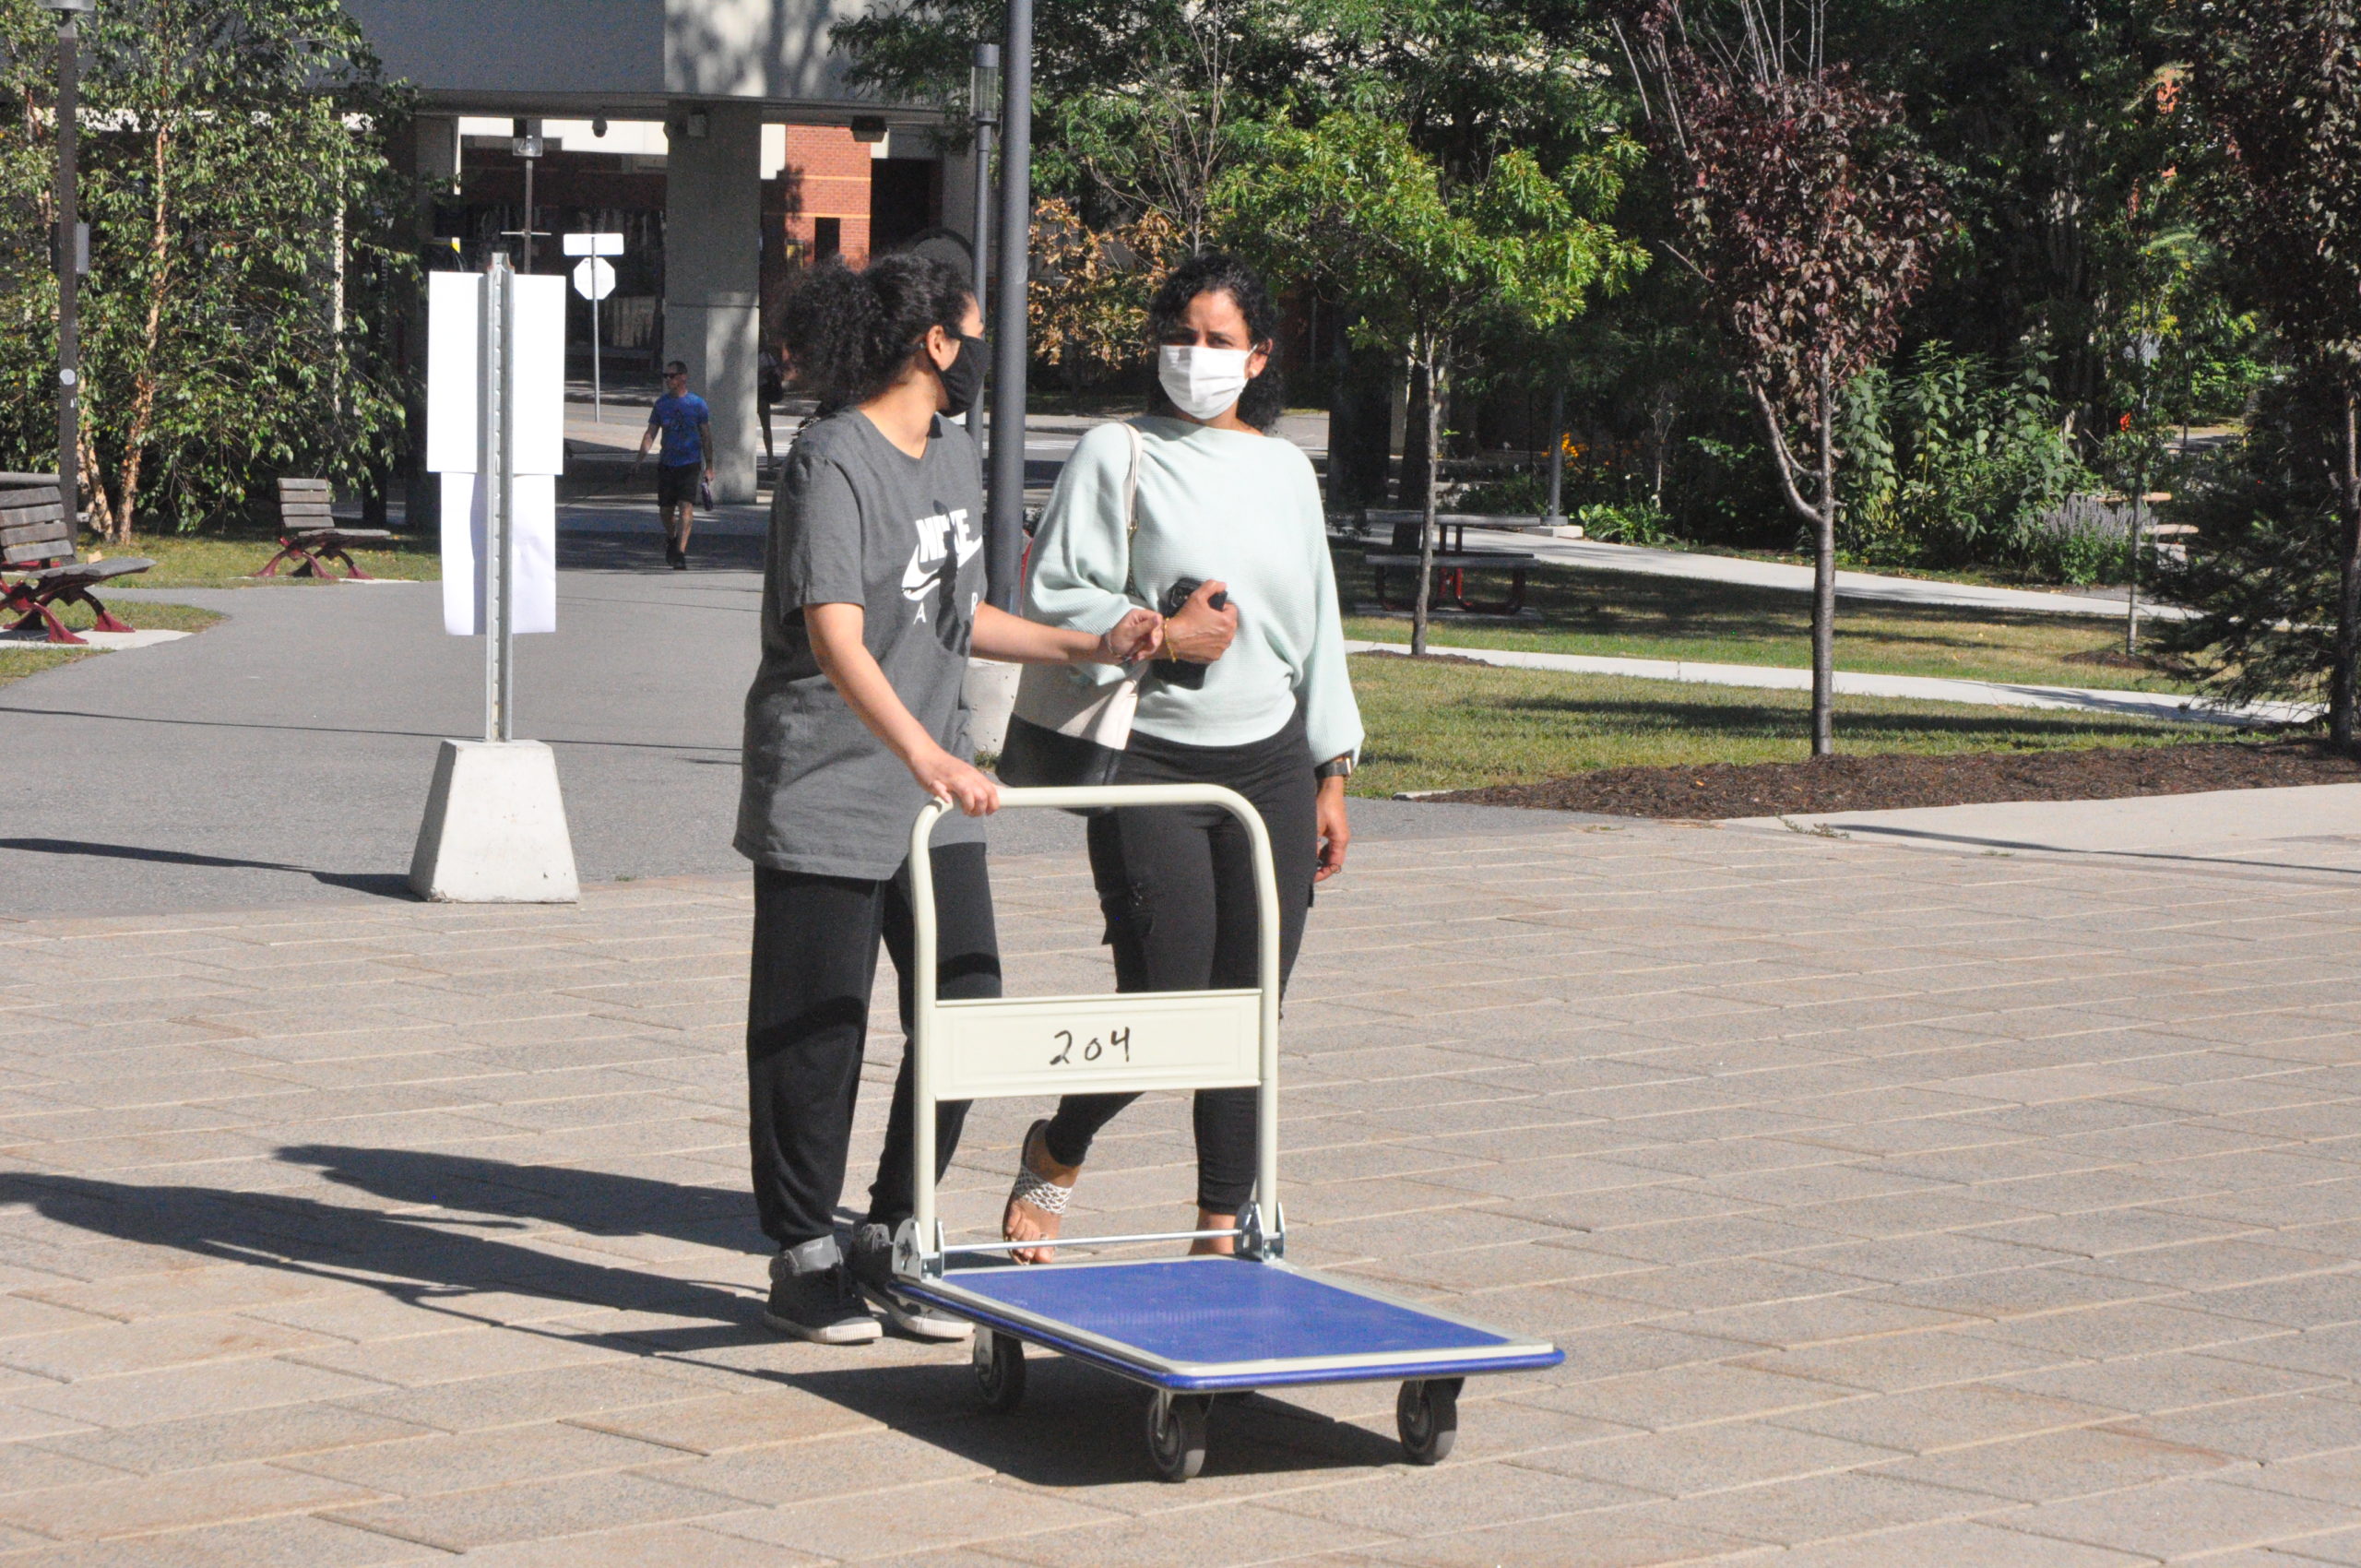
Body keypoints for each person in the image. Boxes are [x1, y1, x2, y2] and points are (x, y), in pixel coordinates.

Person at [740, 254, 1161, 1343]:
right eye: (973, 335)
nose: (981, 357)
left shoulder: (954, 452)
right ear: (935, 342)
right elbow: (836, 633)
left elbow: (960, 614)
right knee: (816, 1031)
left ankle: (891, 1227)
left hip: (932, 792)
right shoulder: (831, 458)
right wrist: (928, 751)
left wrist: (1091, 641)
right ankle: (802, 1251)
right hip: (833, 786)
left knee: (965, 1003)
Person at [1002, 252, 1363, 1263]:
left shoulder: (1287, 469)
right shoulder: (1117, 450)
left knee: (1252, 1000)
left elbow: (1316, 626)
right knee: (1163, 996)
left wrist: (1332, 769)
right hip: (1153, 758)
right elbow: (1057, 592)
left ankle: (1222, 1224)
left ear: (1258, 357)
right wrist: (1159, 630)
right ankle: (1057, 1146)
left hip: (1273, 764)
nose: (1194, 358)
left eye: (1217, 341)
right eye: (1180, 336)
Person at [635, 360, 712, 570]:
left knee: (686, 506)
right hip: (668, 463)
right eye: (666, 376)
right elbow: (651, 433)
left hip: (690, 463)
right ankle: (672, 537)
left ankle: (680, 552)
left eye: (671, 376)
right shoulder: (661, 404)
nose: (668, 380)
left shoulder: (697, 404)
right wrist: (640, 458)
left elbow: (706, 436)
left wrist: (709, 465)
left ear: (683, 377)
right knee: (665, 511)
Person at [758, 343, 787, 469]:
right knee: (766, 427)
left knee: (766, 427)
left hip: (762, 392)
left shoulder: (766, 355)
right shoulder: (762, 356)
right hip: (760, 392)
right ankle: (770, 457)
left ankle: (770, 456)